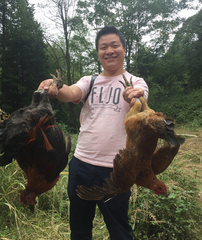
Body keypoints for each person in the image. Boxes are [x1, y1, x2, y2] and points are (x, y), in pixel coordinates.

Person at [38, 25, 148, 240]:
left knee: (119, 230)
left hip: (117, 169)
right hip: (81, 166)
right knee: (79, 229)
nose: (109, 50)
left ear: (124, 49)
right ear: (98, 53)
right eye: (103, 47)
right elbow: (70, 93)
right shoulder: (90, 81)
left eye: (115, 45)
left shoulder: (136, 82)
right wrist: (56, 87)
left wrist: (135, 97)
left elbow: (141, 99)